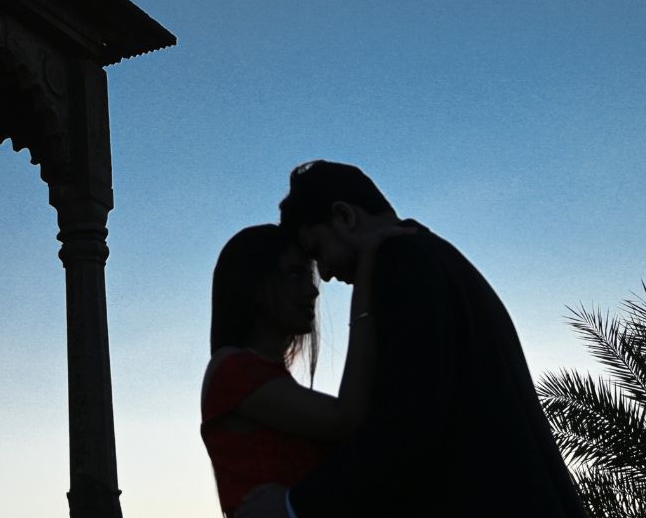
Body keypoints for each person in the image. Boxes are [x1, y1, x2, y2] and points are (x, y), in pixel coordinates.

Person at [235, 160, 587, 518]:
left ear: (343, 217)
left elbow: (407, 421)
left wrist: (294, 506)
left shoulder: (403, 263)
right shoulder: (436, 257)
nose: (323, 275)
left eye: (318, 251)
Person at [200, 223, 389, 516]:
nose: (312, 290)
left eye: (308, 275)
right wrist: (365, 292)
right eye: (294, 274)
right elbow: (345, 419)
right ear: (254, 286)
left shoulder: (265, 377)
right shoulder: (232, 370)